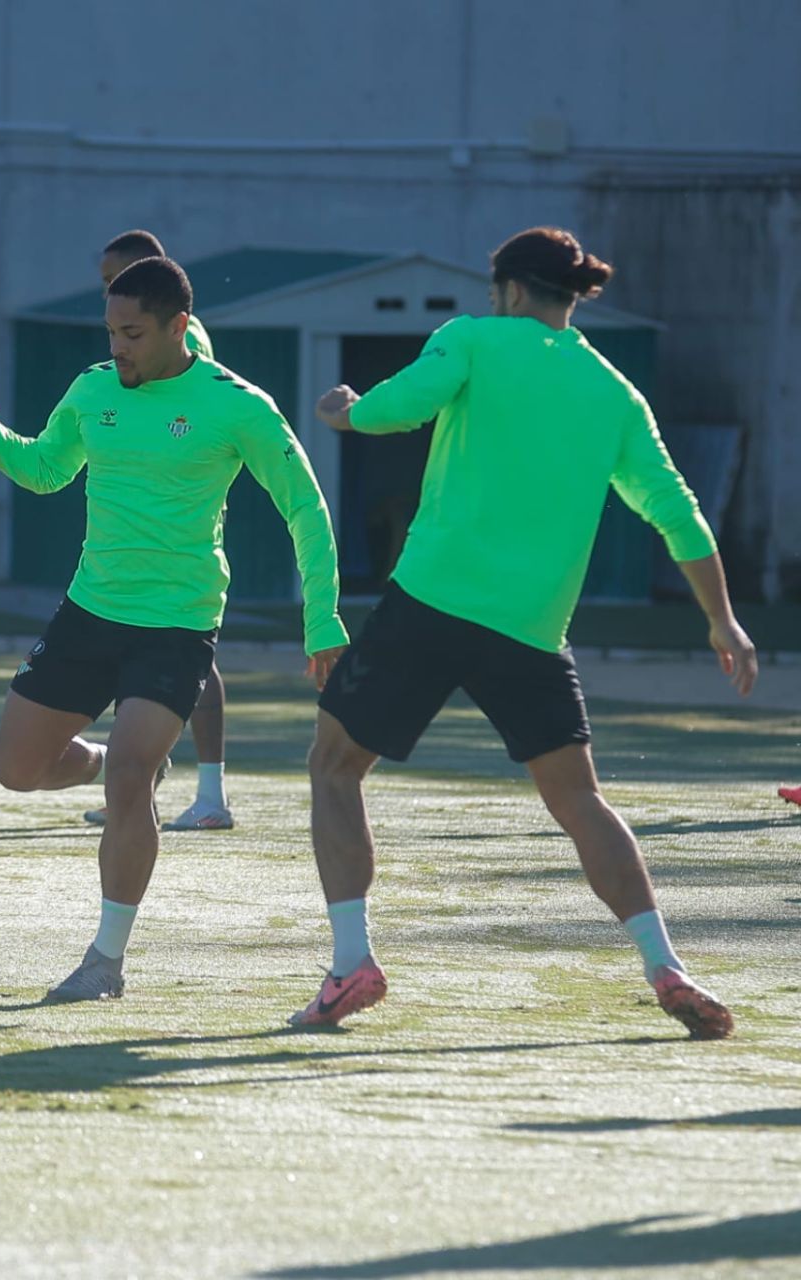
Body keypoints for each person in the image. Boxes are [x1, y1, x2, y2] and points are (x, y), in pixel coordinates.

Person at [294, 227, 753, 1040]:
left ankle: (350, 963)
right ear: (568, 300)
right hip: (533, 631)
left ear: (505, 289)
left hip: (431, 601)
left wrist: (345, 411)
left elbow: (396, 410)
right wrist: (723, 618)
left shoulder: (470, 338)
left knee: (334, 768)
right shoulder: (613, 391)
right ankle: (665, 964)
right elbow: (676, 512)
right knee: (580, 801)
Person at [0, 254, 347, 1004]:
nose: (117, 346)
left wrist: (322, 618)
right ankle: (102, 760)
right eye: (111, 331)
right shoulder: (93, 389)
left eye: (131, 333)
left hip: (178, 624)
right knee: (16, 769)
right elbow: (44, 471)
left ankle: (104, 962)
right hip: (90, 611)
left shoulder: (237, 405)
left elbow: (306, 508)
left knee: (135, 778)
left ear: (177, 327)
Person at [84, 230, 234, 831]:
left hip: (180, 526)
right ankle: (138, 774)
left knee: (192, 655)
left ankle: (211, 792)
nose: (108, 296)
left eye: (113, 279)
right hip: (134, 517)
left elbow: (199, 421)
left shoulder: (180, 338)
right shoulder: (138, 336)